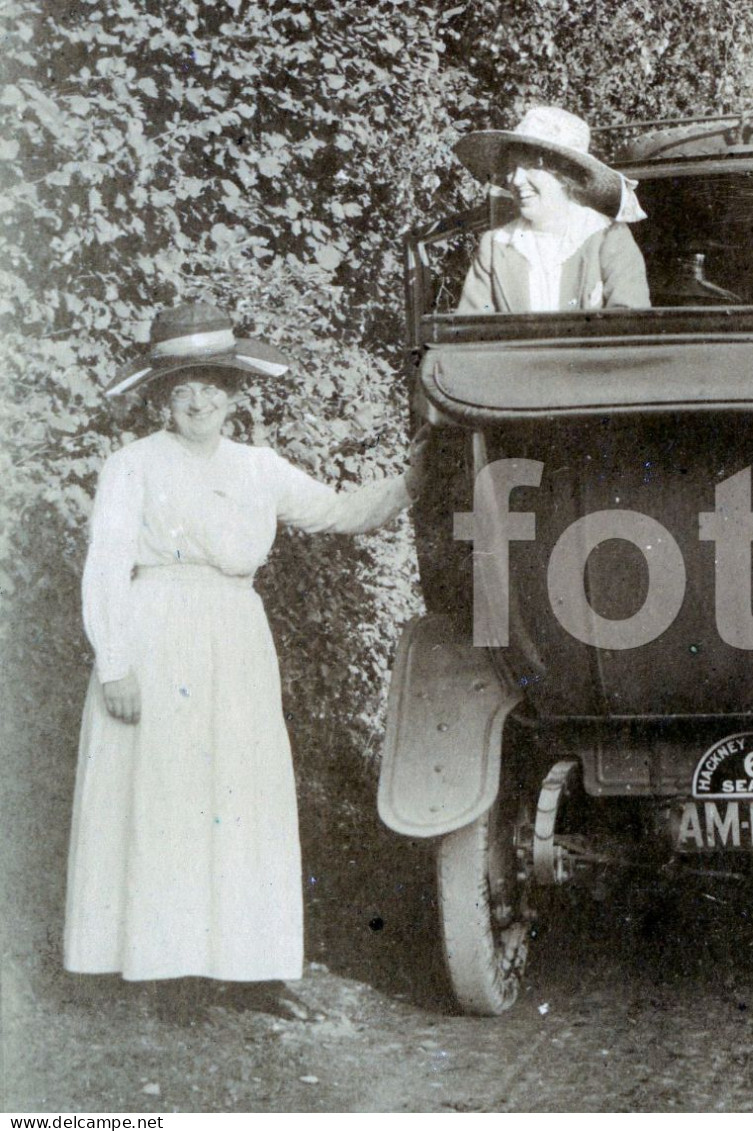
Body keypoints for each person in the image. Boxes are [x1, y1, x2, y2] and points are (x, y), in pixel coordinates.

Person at [64, 302, 426, 1022]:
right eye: (183, 388)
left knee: (239, 792)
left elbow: (336, 510)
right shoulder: (131, 466)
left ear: (233, 393)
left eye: (212, 386)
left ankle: (247, 965)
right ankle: (164, 968)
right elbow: (105, 568)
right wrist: (116, 665)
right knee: (163, 793)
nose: (199, 401)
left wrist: (413, 480)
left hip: (234, 636)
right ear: (163, 398)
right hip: (156, 629)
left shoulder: (258, 467)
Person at [454, 105, 650, 313]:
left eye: (531, 168)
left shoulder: (607, 238)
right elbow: (472, 330)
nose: (516, 180)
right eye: (511, 169)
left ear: (564, 175)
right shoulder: (496, 245)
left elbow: (628, 326)